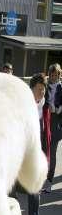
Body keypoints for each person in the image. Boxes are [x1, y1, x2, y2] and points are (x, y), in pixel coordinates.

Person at [10, 73, 50, 215]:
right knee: (11, 189)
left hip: (35, 155)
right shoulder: (22, 106)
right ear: (31, 89)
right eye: (39, 89)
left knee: (35, 188)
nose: (42, 93)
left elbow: (45, 132)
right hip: (19, 154)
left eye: (44, 90)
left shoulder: (44, 106)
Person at [42, 64, 62, 193]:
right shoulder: (45, 85)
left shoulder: (61, 87)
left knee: (52, 154)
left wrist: (60, 107)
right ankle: (39, 178)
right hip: (45, 121)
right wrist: (48, 106)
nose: (54, 77)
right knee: (43, 152)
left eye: (56, 75)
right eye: (52, 74)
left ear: (60, 75)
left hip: (56, 123)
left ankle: (49, 181)